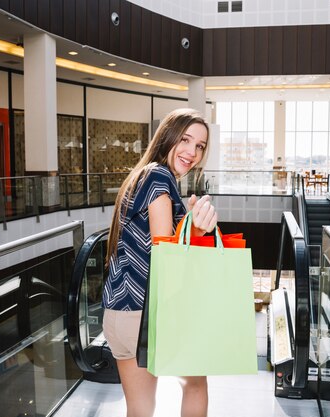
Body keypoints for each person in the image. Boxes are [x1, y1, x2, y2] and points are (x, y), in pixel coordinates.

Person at [103, 108, 217, 417]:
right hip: (148, 314)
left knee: (140, 409)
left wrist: (187, 223)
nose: (192, 152)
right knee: (195, 385)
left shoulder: (141, 175)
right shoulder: (158, 176)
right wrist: (194, 229)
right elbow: (165, 252)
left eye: (200, 146)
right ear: (167, 136)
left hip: (119, 314)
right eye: (185, 140)